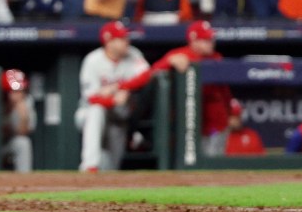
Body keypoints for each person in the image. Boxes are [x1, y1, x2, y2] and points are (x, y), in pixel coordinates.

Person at [118, 20, 233, 156]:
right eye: (205, 39)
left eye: (211, 38)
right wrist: (168, 62)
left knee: (214, 164)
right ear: (193, 40)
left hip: (215, 125)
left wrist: (230, 113)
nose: (211, 42)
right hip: (189, 124)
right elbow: (150, 74)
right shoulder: (180, 54)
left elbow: (225, 91)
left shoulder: (217, 58)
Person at [75, 21, 151, 172]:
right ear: (108, 41)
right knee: (96, 111)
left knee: (112, 167)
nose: (126, 41)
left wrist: (120, 87)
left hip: (119, 117)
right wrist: (113, 99)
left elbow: (146, 75)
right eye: (121, 38)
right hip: (89, 113)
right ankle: (90, 166)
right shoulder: (93, 60)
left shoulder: (133, 54)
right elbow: (91, 98)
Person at [1, 69, 36, 173]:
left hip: (8, 145)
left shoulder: (26, 102)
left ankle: (24, 179)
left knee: (23, 142)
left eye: (21, 91)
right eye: (15, 91)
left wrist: (23, 116)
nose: (19, 94)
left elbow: (24, 132)